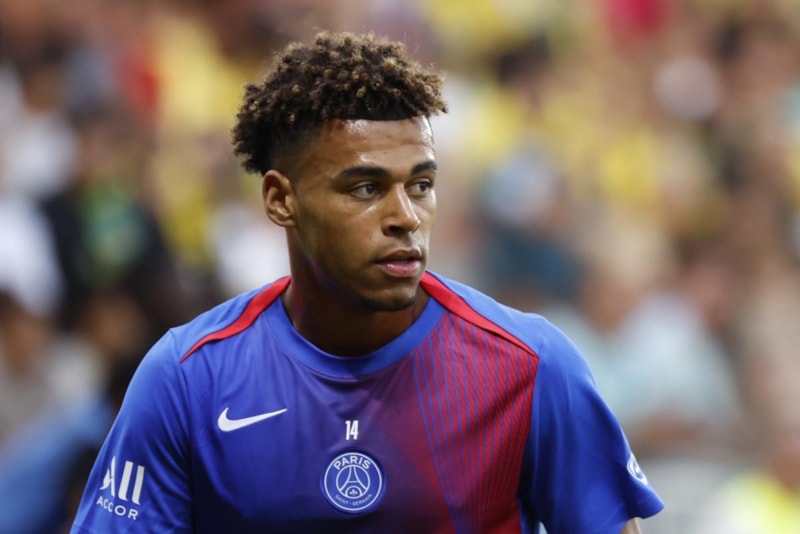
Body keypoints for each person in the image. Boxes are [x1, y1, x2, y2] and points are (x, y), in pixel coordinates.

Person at [70, 31, 663, 534]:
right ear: (280, 199)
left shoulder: (531, 366)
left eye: (421, 185)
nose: (405, 216)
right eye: (365, 188)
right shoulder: (187, 379)